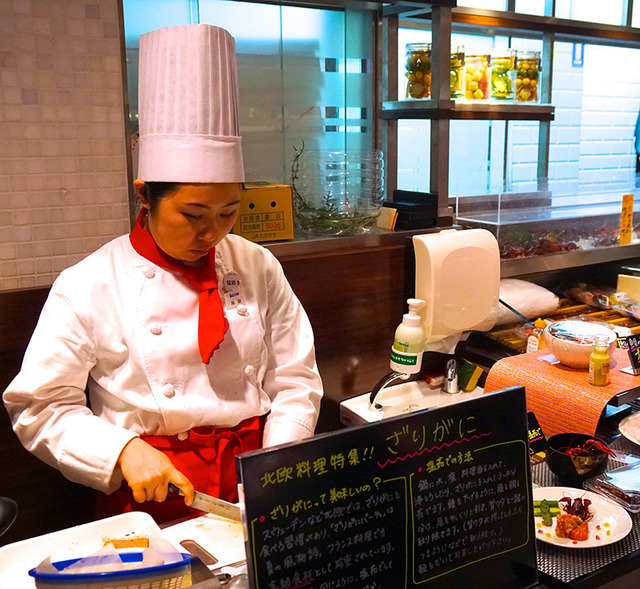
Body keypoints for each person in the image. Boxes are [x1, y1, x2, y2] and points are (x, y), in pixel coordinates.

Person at [2, 24, 323, 524]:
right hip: (150, 494)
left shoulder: (257, 265)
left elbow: (296, 380)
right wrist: (121, 450)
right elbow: (40, 406)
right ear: (144, 194)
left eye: (229, 212)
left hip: (255, 478)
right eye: (193, 215)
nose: (212, 232)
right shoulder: (88, 284)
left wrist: (274, 464)